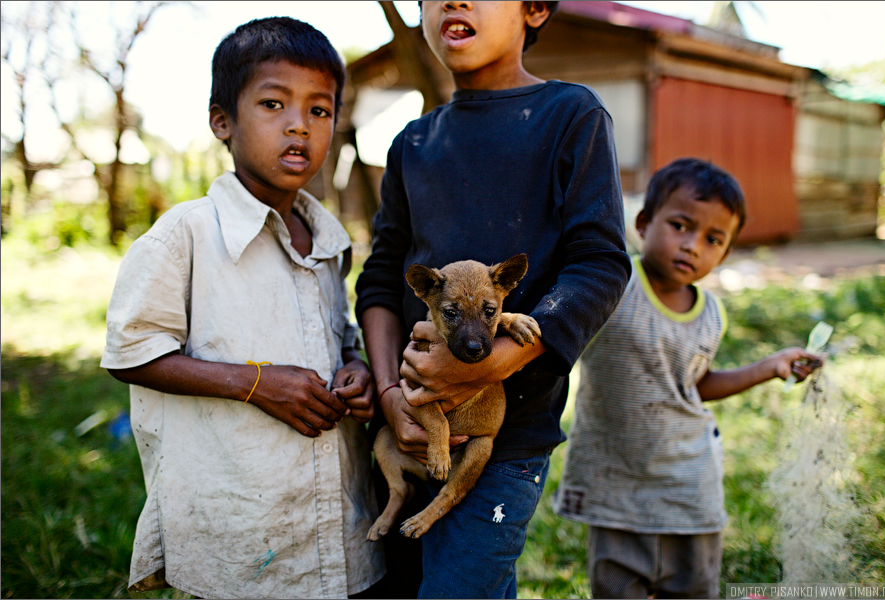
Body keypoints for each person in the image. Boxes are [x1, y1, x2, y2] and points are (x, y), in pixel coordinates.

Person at [100, 17, 385, 599]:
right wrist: (256, 383)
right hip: (237, 528)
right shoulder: (186, 235)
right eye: (274, 104)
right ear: (222, 121)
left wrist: (356, 369)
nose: (298, 127)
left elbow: (339, 337)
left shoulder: (328, 240)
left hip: (337, 521)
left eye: (319, 110)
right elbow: (130, 353)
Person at [354, 1, 632, 597]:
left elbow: (601, 262)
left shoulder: (570, 116)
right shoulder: (413, 144)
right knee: (400, 587)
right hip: (409, 426)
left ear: (534, 9)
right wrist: (390, 396)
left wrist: (491, 364)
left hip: (503, 446)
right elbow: (380, 278)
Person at [553, 157, 824, 599]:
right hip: (614, 479)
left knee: (694, 588)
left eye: (712, 239)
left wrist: (768, 367)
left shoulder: (711, 314)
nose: (693, 245)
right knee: (616, 588)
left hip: (687, 479)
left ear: (725, 252)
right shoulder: (613, 284)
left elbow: (694, 384)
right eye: (680, 225)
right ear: (643, 222)